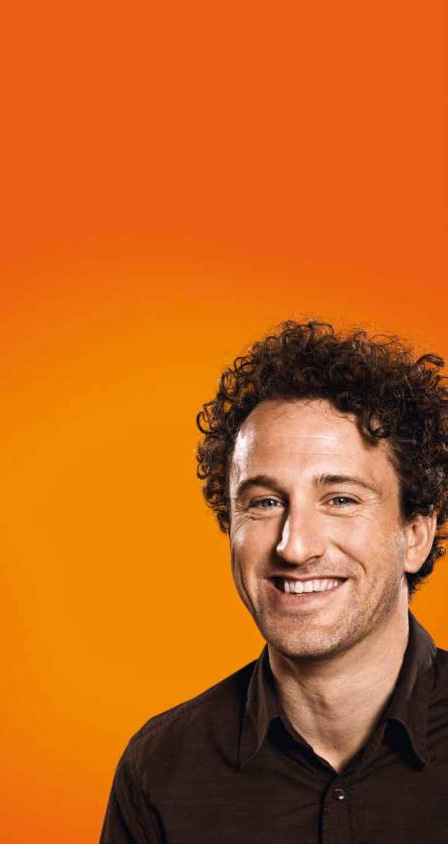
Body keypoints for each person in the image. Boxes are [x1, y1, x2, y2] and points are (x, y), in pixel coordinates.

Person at [100, 320, 448, 843]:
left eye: (340, 499)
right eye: (265, 503)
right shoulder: (160, 769)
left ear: (415, 536)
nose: (295, 546)